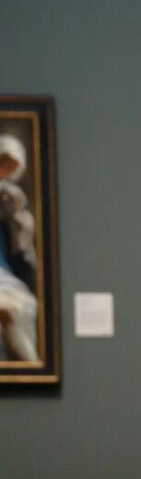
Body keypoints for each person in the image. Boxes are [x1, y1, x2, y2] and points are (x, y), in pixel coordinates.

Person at [0, 134, 39, 362]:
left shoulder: (12, 199)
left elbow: (22, 242)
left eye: (10, 167)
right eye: (3, 163)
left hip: (4, 272)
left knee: (21, 307)